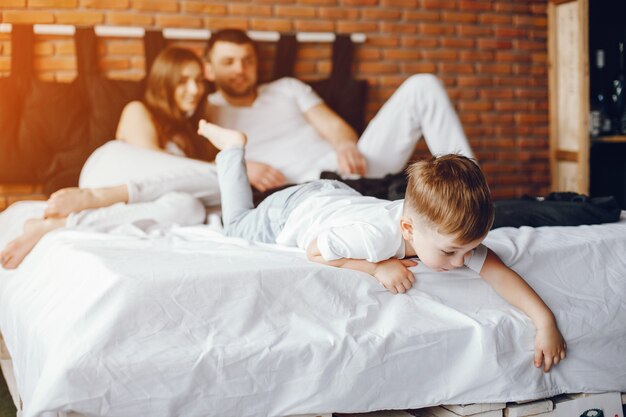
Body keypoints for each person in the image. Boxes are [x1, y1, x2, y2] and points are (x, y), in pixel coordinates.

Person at [197, 119, 567, 373]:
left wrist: (544, 321)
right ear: (407, 228)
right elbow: (314, 250)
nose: (461, 262)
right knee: (236, 225)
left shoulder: (451, 235)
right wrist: (376, 267)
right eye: (451, 252)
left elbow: (500, 274)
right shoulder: (375, 238)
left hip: (339, 196)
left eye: (469, 250)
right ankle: (232, 149)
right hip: (294, 209)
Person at [0, 47, 219, 270]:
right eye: (183, 81)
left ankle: (60, 225)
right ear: (163, 81)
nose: (195, 89)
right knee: (219, 179)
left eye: (199, 80)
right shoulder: (139, 110)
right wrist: (216, 170)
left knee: (188, 207)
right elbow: (156, 170)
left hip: (140, 200)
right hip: (110, 174)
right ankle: (93, 197)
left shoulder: (195, 130)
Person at [204, 29, 474, 192]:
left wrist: (345, 144)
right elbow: (188, 164)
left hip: (353, 168)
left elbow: (334, 126)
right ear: (209, 68)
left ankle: (472, 194)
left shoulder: (287, 88)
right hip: (309, 192)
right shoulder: (207, 112)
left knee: (422, 86)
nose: (240, 69)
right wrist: (240, 167)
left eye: (247, 60)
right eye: (228, 62)